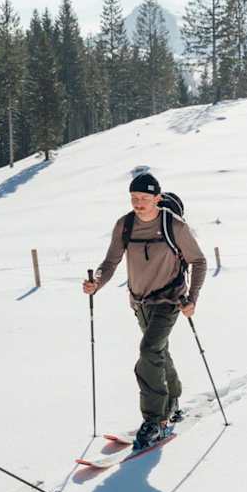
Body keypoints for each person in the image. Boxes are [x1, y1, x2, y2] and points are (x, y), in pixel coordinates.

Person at [82, 172, 208, 450]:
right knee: (158, 351)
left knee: (149, 351)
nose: (138, 204)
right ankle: (173, 397)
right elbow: (111, 261)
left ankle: (154, 419)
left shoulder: (173, 225)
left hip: (169, 300)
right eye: (134, 198)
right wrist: (97, 283)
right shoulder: (125, 225)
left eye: (143, 199)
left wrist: (193, 298)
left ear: (157, 199)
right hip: (139, 301)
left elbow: (198, 261)